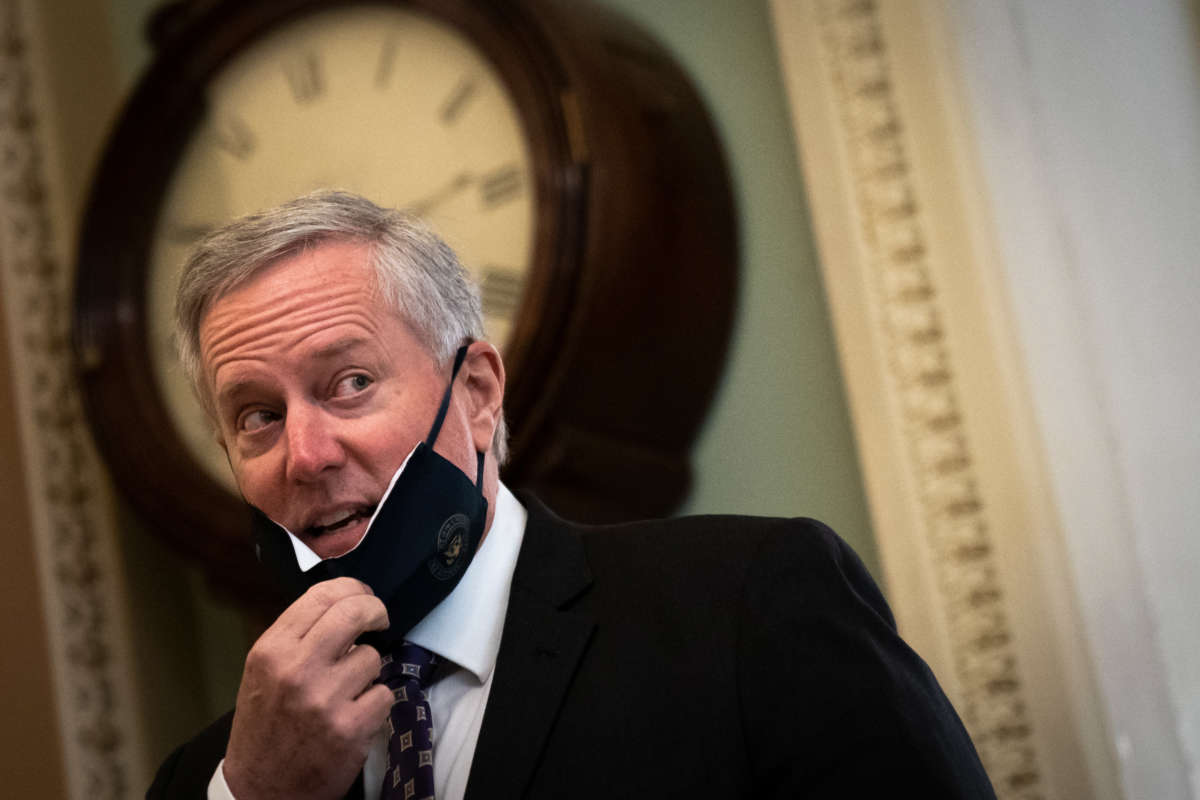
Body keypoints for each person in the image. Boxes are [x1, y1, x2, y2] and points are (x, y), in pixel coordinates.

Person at [147, 191, 996, 799]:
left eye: (351, 383)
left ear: (476, 393)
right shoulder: (211, 779)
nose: (305, 453)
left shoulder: (747, 610)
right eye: (257, 416)